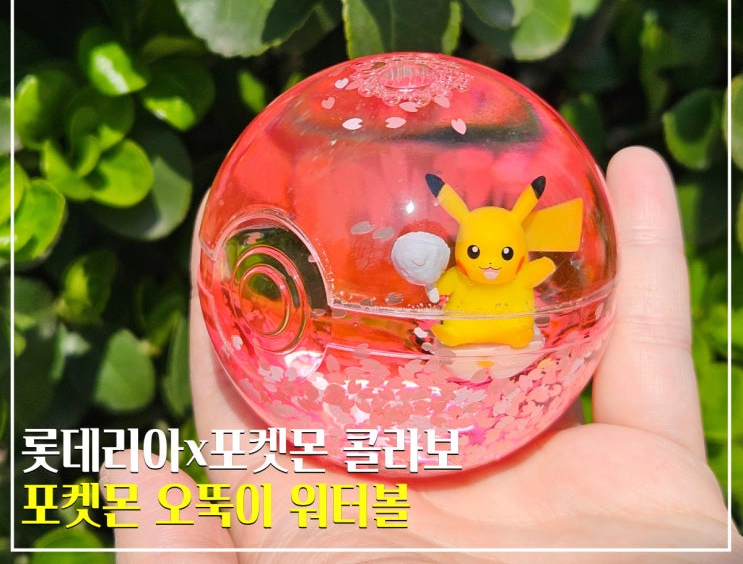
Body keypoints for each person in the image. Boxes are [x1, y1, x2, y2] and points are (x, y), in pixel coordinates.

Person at [103, 147, 742, 562]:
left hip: (507, 363)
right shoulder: (452, 283)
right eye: (477, 253)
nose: (488, 264)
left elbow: (543, 294)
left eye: (503, 255)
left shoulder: (525, 281)